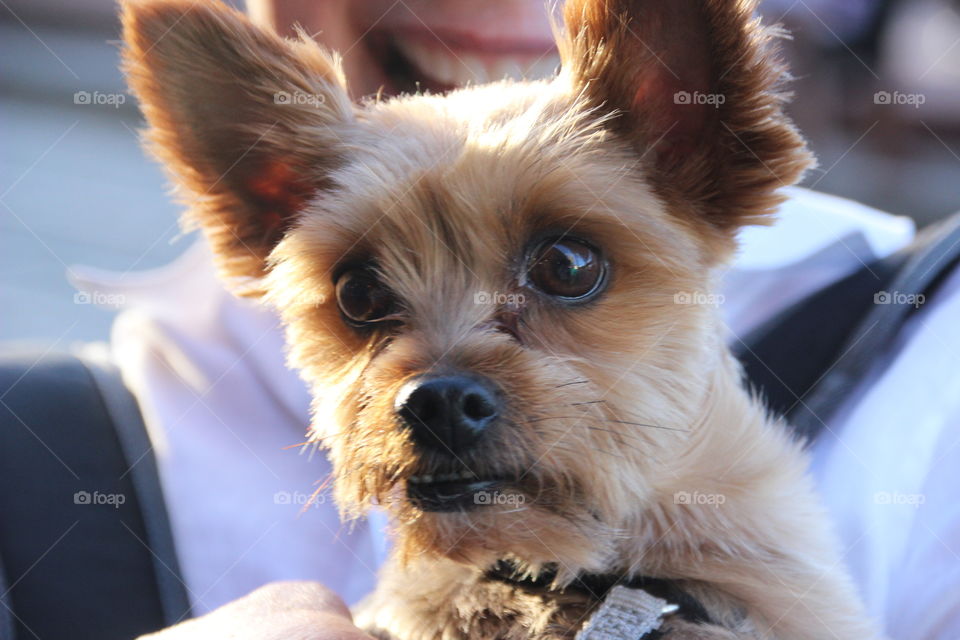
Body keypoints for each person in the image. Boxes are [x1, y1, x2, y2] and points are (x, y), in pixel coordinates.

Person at [57, 1, 960, 638]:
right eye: (365, 299)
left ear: (696, 149)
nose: (437, 389)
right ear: (268, 210)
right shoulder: (46, 457)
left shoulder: (931, 355)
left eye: (567, 271)